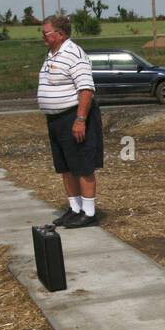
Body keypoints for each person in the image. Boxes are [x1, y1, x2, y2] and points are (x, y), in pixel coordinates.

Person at [39, 14, 103, 228]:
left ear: (60, 34)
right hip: (55, 120)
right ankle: (75, 209)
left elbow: (86, 89)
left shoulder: (74, 54)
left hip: (73, 117)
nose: (42, 37)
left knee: (82, 165)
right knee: (65, 166)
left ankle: (89, 212)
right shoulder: (51, 53)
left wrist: (80, 119)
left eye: (45, 33)